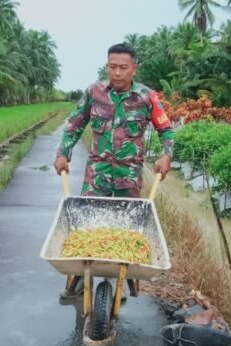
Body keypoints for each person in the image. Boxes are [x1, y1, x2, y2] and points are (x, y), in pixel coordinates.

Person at [54, 43, 174, 298]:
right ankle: (77, 275)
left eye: (123, 67)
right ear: (107, 66)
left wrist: (166, 155)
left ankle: (126, 276)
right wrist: (63, 153)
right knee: (85, 227)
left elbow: (166, 130)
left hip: (129, 176)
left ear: (134, 69)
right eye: (112, 67)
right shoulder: (93, 93)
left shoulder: (147, 97)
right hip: (97, 173)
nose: (116, 73)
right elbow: (74, 126)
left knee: (127, 231)